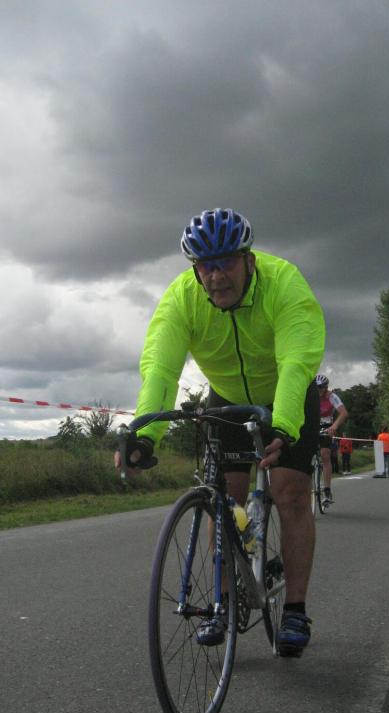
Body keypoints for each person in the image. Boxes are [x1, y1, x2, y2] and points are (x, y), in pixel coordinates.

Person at [115, 208, 325, 657]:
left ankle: (294, 609)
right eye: (205, 266)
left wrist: (285, 425)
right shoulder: (181, 298)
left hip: (287, 394)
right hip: (227, 397)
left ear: (249, 260)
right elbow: (161, 368)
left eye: (226, 262)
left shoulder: (284, 283)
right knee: (223, 498)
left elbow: (296, 360)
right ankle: (223, 601)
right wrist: (145, 433)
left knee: (289, 492)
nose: (216, 276)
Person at [315, 374, 348, 503]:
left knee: (325, 455)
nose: (318, 390)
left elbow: (344, 413)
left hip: (327, 426)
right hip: (312, 424)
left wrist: (334, 426)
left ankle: (327, 490)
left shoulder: (332, 396)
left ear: (326, 387)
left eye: (321, 387)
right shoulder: (309, 396)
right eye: (316, 387)